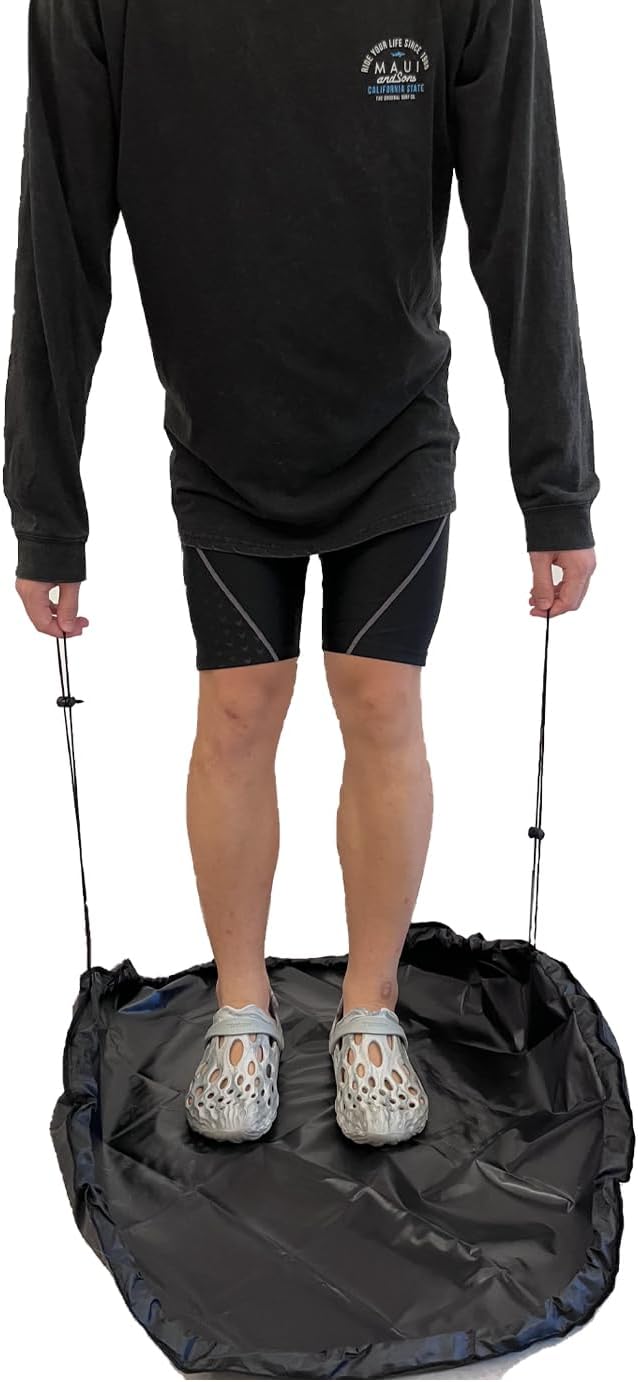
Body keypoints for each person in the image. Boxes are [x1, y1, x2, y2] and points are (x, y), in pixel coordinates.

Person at [3, 0, 598, 1147]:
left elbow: (520, 220)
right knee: (237, 708)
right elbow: (58, 234)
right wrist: (46, 509)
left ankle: (368, 1011)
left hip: (391, 425)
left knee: (379, 699)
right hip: (224, 439)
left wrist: (554, 485)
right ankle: (244, 1009)